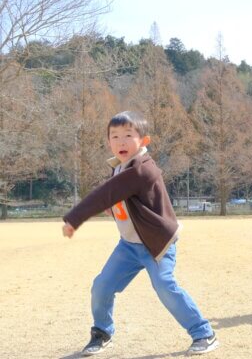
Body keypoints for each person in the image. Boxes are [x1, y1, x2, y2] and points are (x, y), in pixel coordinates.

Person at [62, 111, 218, 356]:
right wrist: (113, 210)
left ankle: (204, 333)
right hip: (129, 245)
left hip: (157, 243)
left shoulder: (143, 169)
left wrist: (74, 218)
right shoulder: (119, 167)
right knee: (102, 286)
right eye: (114, 136)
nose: (120, 142)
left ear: (144, 141)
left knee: (165, 285)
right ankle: (102, 333)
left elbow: (107, 193)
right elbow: (123, 200)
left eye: (128, 135)